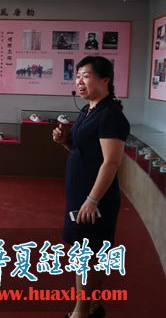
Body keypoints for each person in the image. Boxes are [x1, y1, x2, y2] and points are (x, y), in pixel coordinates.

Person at [52, 56, 129, 318]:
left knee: (85, 255)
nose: (79, 81)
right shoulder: (88, 110)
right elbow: (83, 151)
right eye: (77, 76)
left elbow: (111, 162)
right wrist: (65, 141)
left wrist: (92, 200)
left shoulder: (111, 116)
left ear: (105, 80)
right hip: (81, 195)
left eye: (86, 75)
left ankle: (80, 312)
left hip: (95, 198)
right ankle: (94, 306)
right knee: (92, 253)